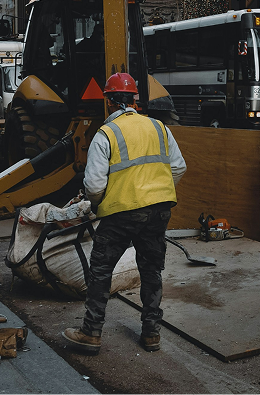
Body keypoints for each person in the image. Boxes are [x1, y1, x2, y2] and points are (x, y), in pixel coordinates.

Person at [62, 72, 186, 355]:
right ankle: (151, 334)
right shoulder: (159, 128)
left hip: (121, 215)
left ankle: (91, 333)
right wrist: (157, 191)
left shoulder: (106, 134)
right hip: (159, 211)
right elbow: (179, 167)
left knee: (101, 270)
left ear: (108, 101)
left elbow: (94, 185)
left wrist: (98, 204)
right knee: (151, 270)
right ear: (135, 101)